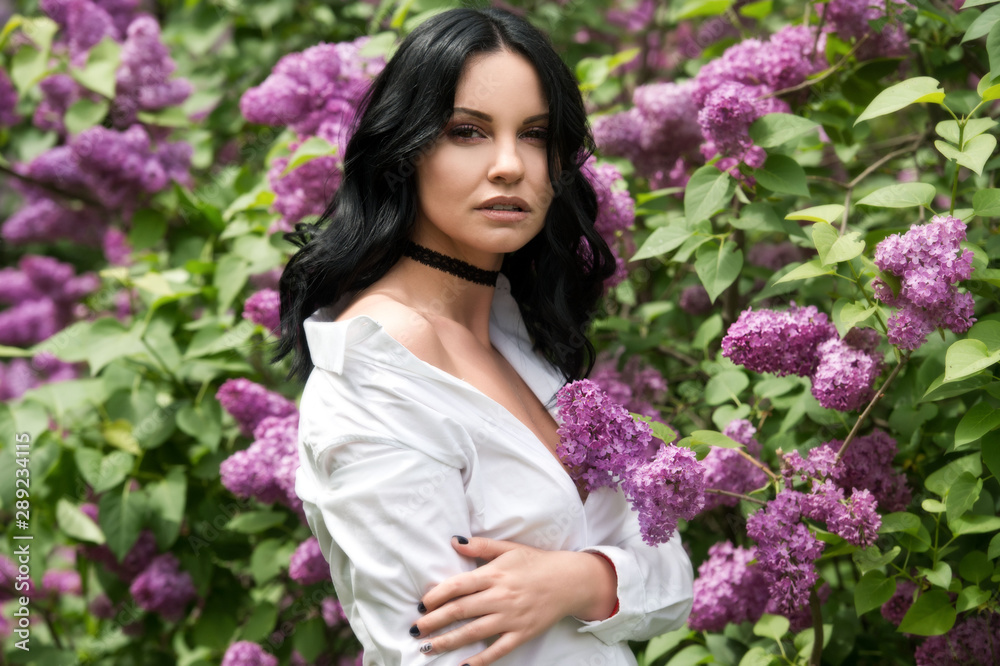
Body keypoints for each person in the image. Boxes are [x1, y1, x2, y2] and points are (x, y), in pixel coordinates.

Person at [276, 7, 694, 665]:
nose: (510, 166)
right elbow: (434, 653)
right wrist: (606, 580)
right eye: (468, 132)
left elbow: (673, 578)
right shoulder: (378, 368)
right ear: (403, 151)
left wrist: (577, 581)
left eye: (534, 135)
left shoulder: (521, 347)